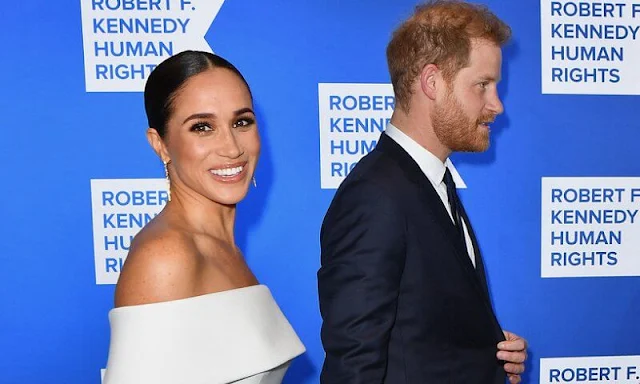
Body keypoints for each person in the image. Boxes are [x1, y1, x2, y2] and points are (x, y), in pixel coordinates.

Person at [318, 1, 527, 383]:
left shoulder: (429, 181)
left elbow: (421, 334)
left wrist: (489, 354)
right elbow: (354, 366)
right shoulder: (374, 196)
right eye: (483, 85)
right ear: (432, 82)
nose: (497, 105)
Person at [103, 51, 305, 384]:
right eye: (202, 127)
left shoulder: (221, 248)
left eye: (242, 122)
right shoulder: (166, 256)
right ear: (161, 145)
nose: (231, 147)